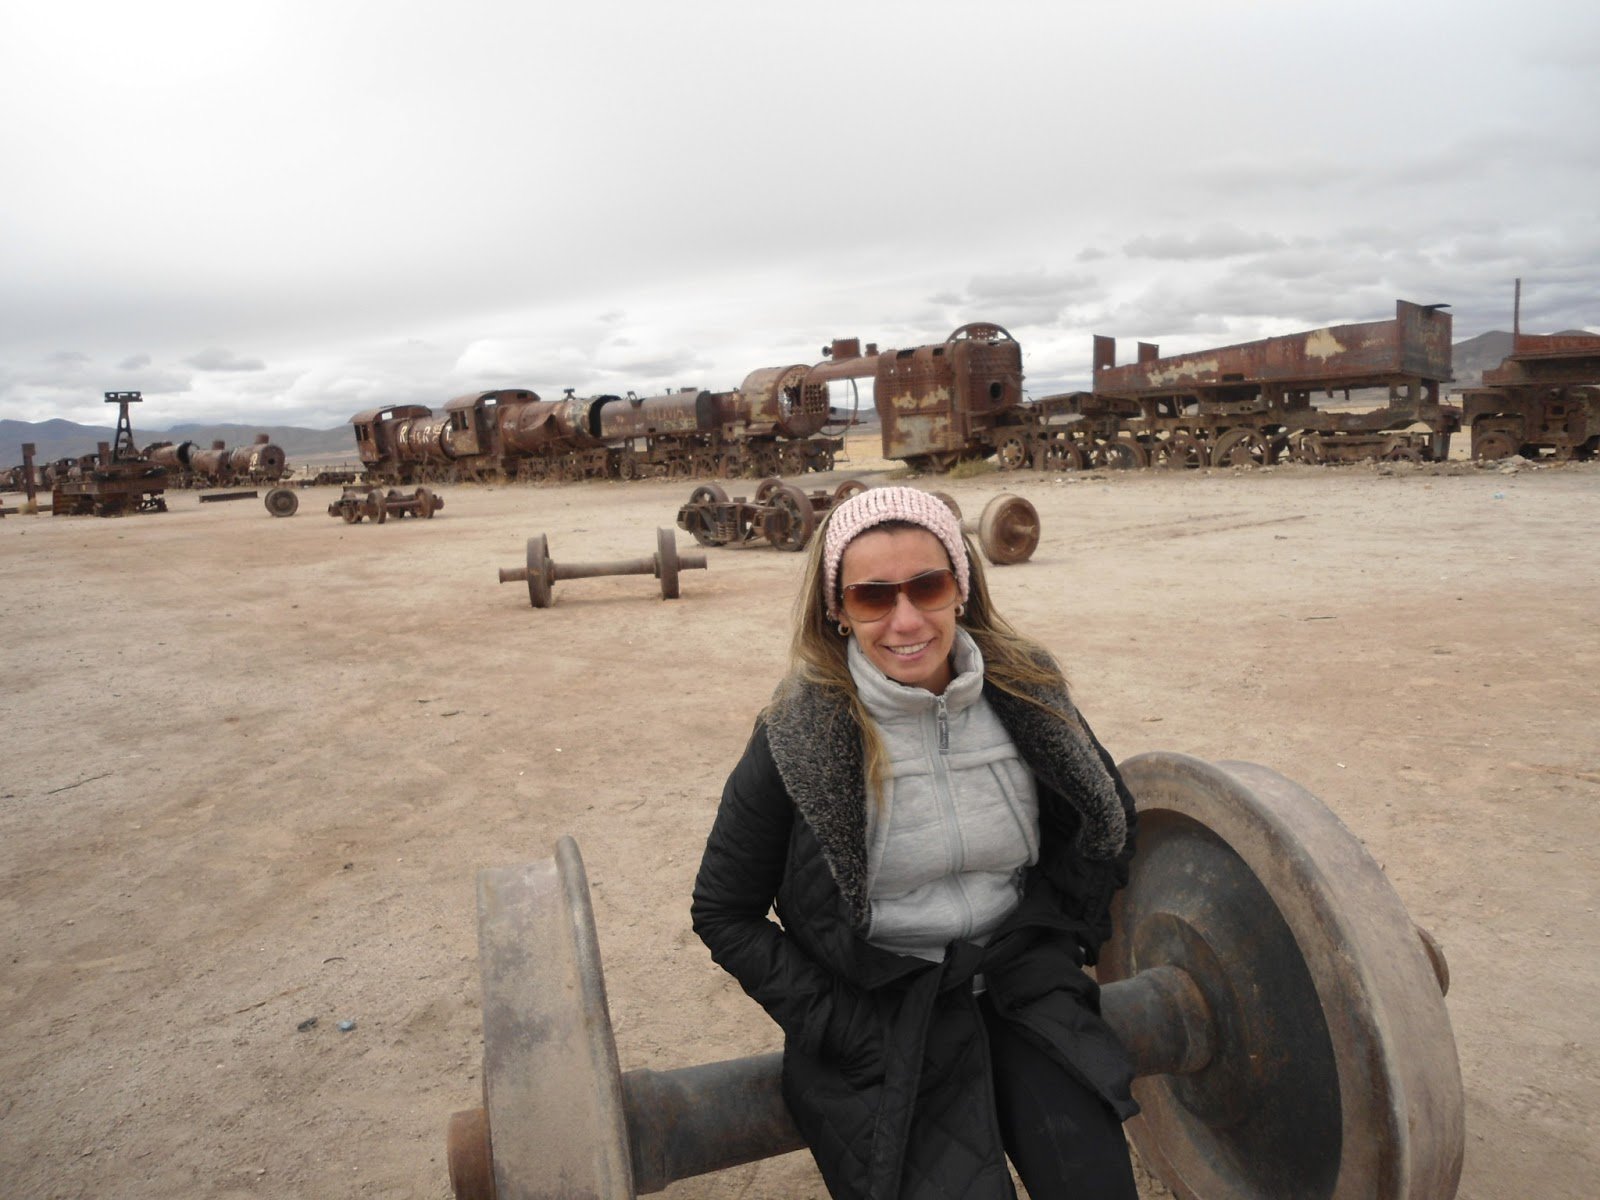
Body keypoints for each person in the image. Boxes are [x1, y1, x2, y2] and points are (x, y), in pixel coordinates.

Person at [691, 485, 1141, 1200]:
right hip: (883, 1015)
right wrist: (838, 1026)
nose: (905, 621)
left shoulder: (1029, 695)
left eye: (927, 586)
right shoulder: (798, 736)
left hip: (1023, 984)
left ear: (961, 588)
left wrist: (1061, 941)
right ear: (837, 610)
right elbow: (724, 910)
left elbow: (1105, 821)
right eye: (872, 597)